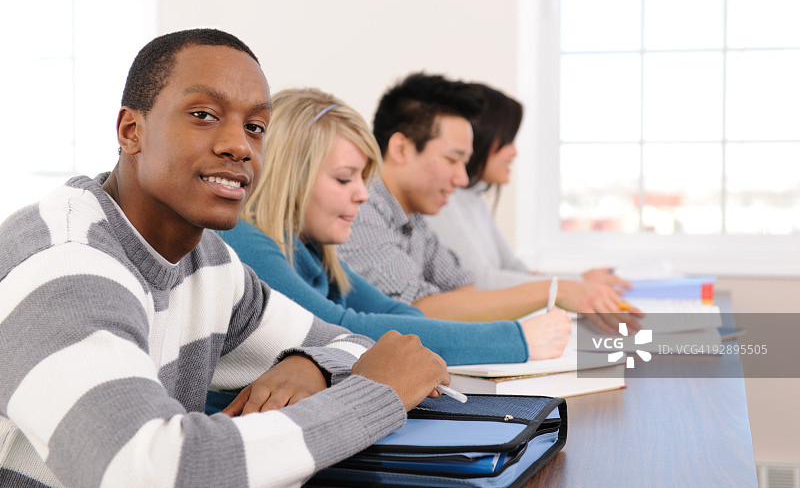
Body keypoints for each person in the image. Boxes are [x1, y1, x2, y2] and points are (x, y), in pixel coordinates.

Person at [0, 29, 450, 488]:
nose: (239, 146)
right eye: (203, 115)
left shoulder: (209, 260)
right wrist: (375, 397)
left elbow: (350, 343)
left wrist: (311, 363)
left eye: (255, 127)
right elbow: (149, 471)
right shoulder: (66, 261)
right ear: (131, 131)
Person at [219, 87, 571, 368]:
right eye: (344, 179)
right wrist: (516, 340)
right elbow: (339, 328)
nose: (361, 194)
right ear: (288, 178)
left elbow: (398, 313)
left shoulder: (314, 249)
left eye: (363, 178)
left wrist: (418, 354)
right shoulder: (245, 242)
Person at [338, 72, 643, 335]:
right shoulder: (360, 209)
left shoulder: (413, 219)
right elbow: (417, 311)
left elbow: (465, 288)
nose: (461, 179)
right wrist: (555, 290)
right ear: (401, 148)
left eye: (465, 162)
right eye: (452, 160)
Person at [426, 82, 633, 291]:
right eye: (507, 141)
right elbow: (481, 283)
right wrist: (577, 284)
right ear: (479, 139)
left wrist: (578, 280)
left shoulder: (474, 200)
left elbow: (515, 269)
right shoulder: (443, 201)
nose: (514, 152)